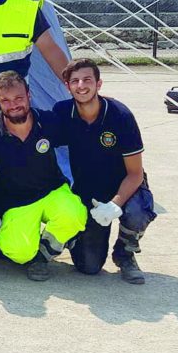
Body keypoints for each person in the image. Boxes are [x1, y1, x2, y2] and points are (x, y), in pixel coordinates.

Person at [52, 59, 156, 284]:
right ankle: (78, 239)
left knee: (137, 212)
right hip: (89, 191)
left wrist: (115, 205)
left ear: (99, 84)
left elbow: (135, 174)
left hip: (124, 187)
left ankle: (125, 253)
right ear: (67, 86)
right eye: (75, 81)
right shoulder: (62, 112)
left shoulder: (120, 115)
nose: (81, 85)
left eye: (87, 80)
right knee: (88, 267)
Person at [0, 71, 87, 281]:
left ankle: (43, 256)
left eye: (19, 98)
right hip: (16, 201)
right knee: (16, 252)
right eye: (6, 100)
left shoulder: (49, 121)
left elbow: (83, 143)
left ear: (29, 94)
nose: (14, 105)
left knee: (74, 215)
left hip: (52, 191)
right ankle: (32, 242)